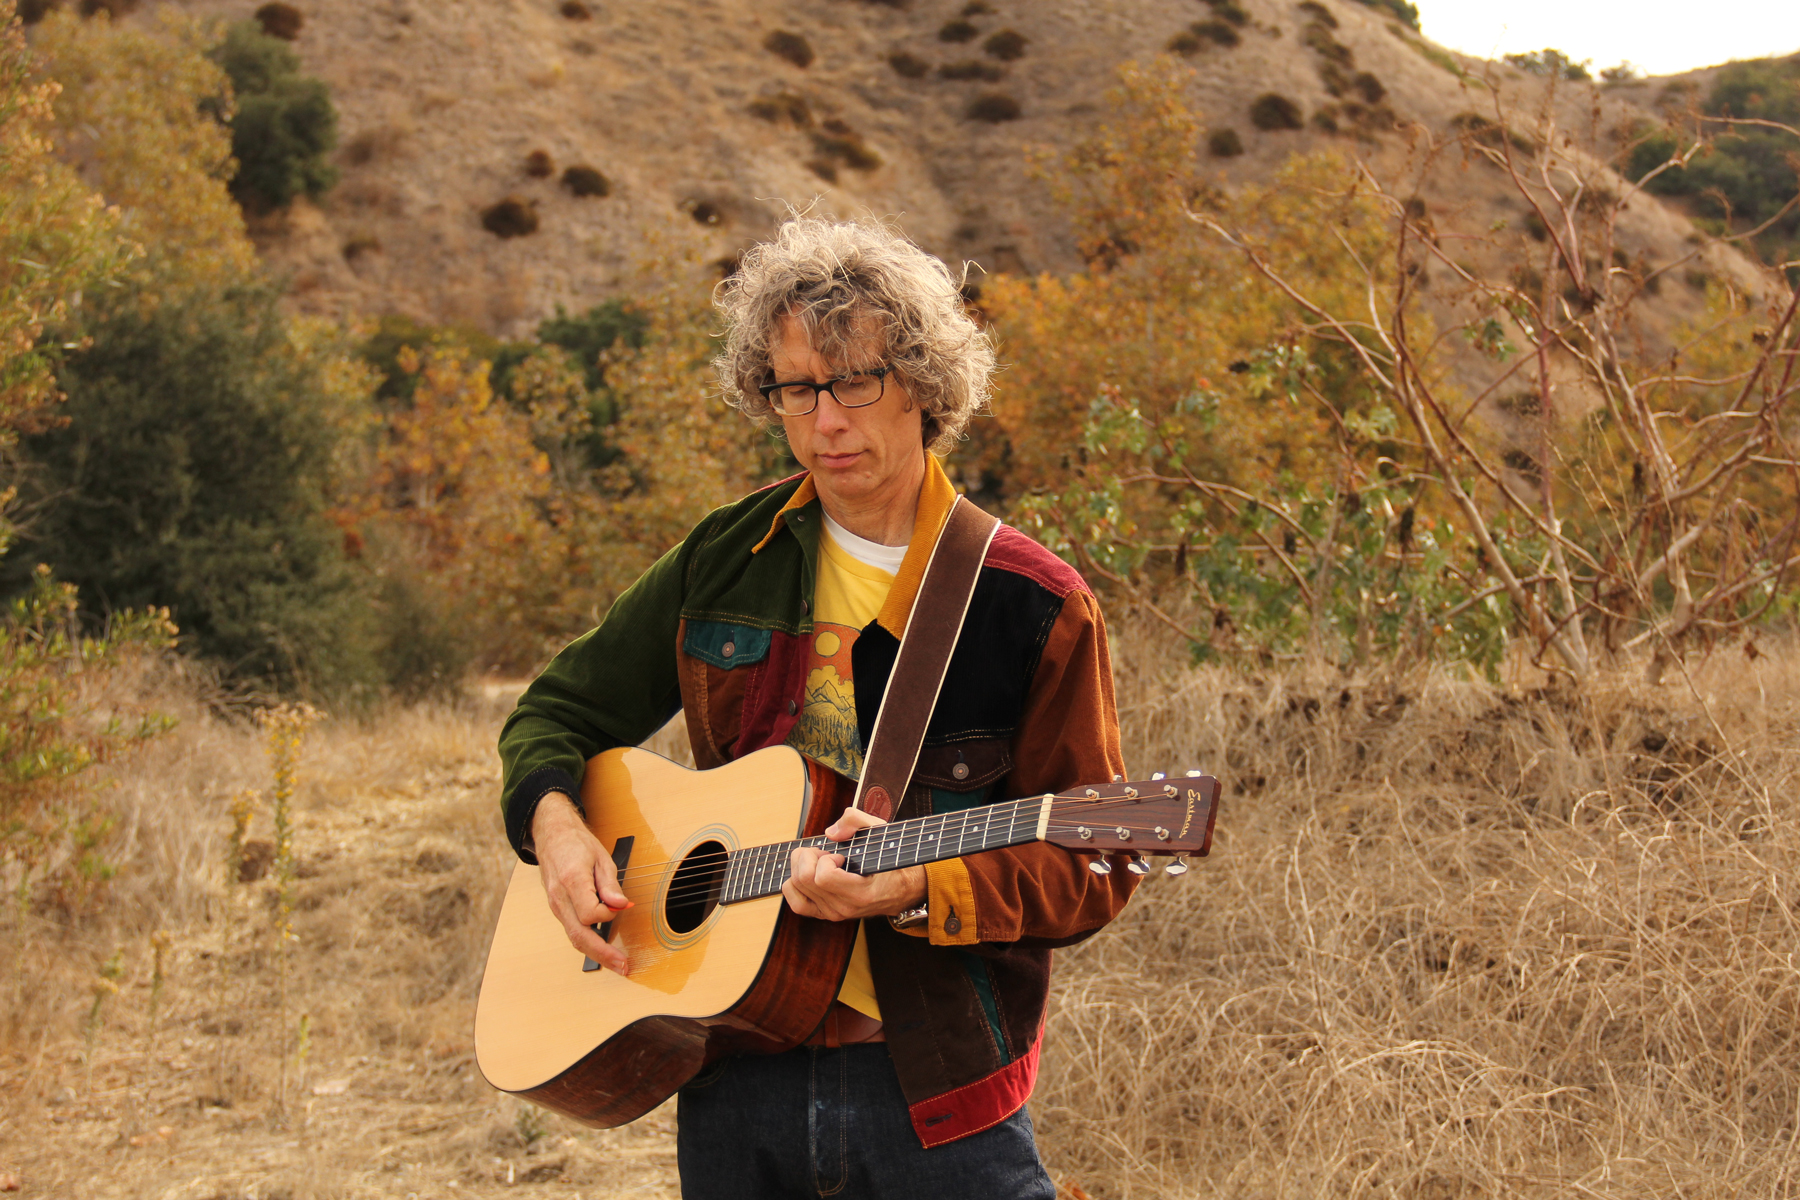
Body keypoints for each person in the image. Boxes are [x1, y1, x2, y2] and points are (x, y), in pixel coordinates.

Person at [497, 218, 1137, 1199]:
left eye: (855, 383)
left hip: (934, 1091)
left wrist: (915, 887)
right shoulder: (726, 558)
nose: (824, 420)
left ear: (923, 384)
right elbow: (553, 713)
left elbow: (1094, 860)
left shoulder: (1031, 604)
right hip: (731, 1069)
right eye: (795, 388)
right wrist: (557, 829)